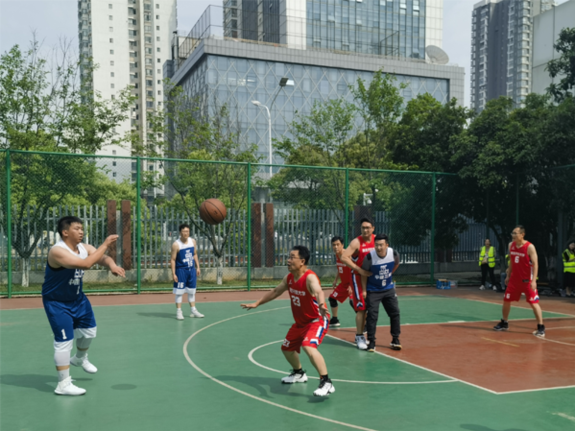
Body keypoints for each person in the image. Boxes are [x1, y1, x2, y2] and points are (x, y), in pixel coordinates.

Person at [42, 216, 126, 396]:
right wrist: (105, 243)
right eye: (77, 228)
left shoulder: (84, 248)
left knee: (89, 331)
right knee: (64, 341)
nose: (81, 231)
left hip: (78, 299)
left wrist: (112, 265)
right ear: (65, 232)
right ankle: (63, 384)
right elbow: (86, 264)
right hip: (57, 303)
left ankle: (80, 358)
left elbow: (102, 258)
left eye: (82, 228)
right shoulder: (57, 251)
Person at [241, 246, 334, 398]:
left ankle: (326, 381)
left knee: (308, 346)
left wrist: (322, 304)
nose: (288, 260)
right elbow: (276, 292)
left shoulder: (309, 277)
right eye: (288, 257)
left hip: (316, 320)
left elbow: (318, 291)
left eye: (292, 257)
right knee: (286, 348)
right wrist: (257, 303)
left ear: (302, 261)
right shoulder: (289, 278)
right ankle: (299, 373)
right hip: (300, 323)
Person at [494, 226, 545, 338]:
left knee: (533, 303)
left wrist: (534, 281)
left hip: (527, 281)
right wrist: (508, 275)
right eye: (512, 233)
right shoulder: (511, 245)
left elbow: (535, 264)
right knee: (506, 300)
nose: (513, 235)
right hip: (514, 280)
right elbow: (512, 262)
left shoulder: (529, 247)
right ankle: (504, 322)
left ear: (522, 234)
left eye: (515, 233)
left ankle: (541, 327)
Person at [361, 234, 401, 352]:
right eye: (376, 245)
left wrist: (389, 275)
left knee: (395, 313)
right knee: (372, 316)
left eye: (381, 245)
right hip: (373, 290)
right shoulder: (369, 258)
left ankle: (395, 339)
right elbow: (363, 274)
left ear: (386, 245)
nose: (378, 248)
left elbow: (396, 264)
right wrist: (364, 290)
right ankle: (371, 342)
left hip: (388, 289)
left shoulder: (393, 254)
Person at [340, 218, 375, 350]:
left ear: (373, 228)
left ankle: (370, 335)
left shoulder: (377, 240)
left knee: (372, 308)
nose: (365, 230)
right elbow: (344, 257)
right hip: (358, 278)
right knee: (361, 308)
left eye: (368, 227)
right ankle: (360, 336)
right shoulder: (356, 242)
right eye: (363, 228)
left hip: (372, 278)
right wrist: (358, 269)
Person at [171, 224, 204, 320]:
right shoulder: (176, 244)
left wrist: (198, 267)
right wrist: (173, 273)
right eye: (184, 231)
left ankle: (193, 310)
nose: (186, 233)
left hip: (191, 270)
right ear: (180, 232)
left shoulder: (192, 241)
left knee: (191, 291)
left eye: (187, 231)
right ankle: (179, 312)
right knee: (179, 292)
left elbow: (195, 254)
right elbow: (173, 259)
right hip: (181, 271)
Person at [328, 236, 354, 328]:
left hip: (352, 283)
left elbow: (354, 270)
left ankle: (365, 322)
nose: (335, 247)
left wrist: (352, 285)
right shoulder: (337, 255)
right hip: (344, 284)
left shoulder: (347, 256)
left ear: (342, 245)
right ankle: (335, 320)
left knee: (353, 302)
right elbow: (340, 268)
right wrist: (336, 279)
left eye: (338, 244)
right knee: (332, 299)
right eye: (333, 245)